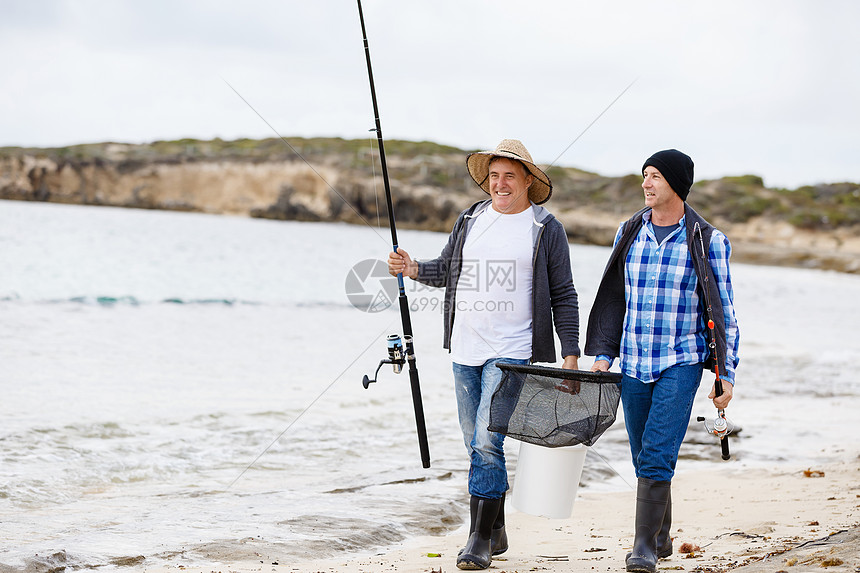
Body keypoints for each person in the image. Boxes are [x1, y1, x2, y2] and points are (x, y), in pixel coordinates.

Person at [388, 139, 581, 570]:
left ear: (529, 180)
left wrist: (571, 355)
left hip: (512, 352)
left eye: (509, 175)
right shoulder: (471, 218)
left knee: (488, 441)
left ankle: (477, 539)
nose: (500, 183)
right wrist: (412, 268)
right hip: (465, 348)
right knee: (472, 442)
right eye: (494, 176)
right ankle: (496, 528)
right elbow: (445, 269)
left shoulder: (545, 228)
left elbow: (564, 295)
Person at [585, 149, 740, 573]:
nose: (646, 184)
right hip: (633, 359)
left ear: (675, 183)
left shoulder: (709, 240)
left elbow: (722, 311)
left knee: (656, 453)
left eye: (654, 176)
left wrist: (726, 372)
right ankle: (661, 536)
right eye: (644, 176)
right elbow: (614, 298)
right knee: (642, 454)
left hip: (681, 361)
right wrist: (603, 355)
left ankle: (643, 548)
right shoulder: (628, 231)